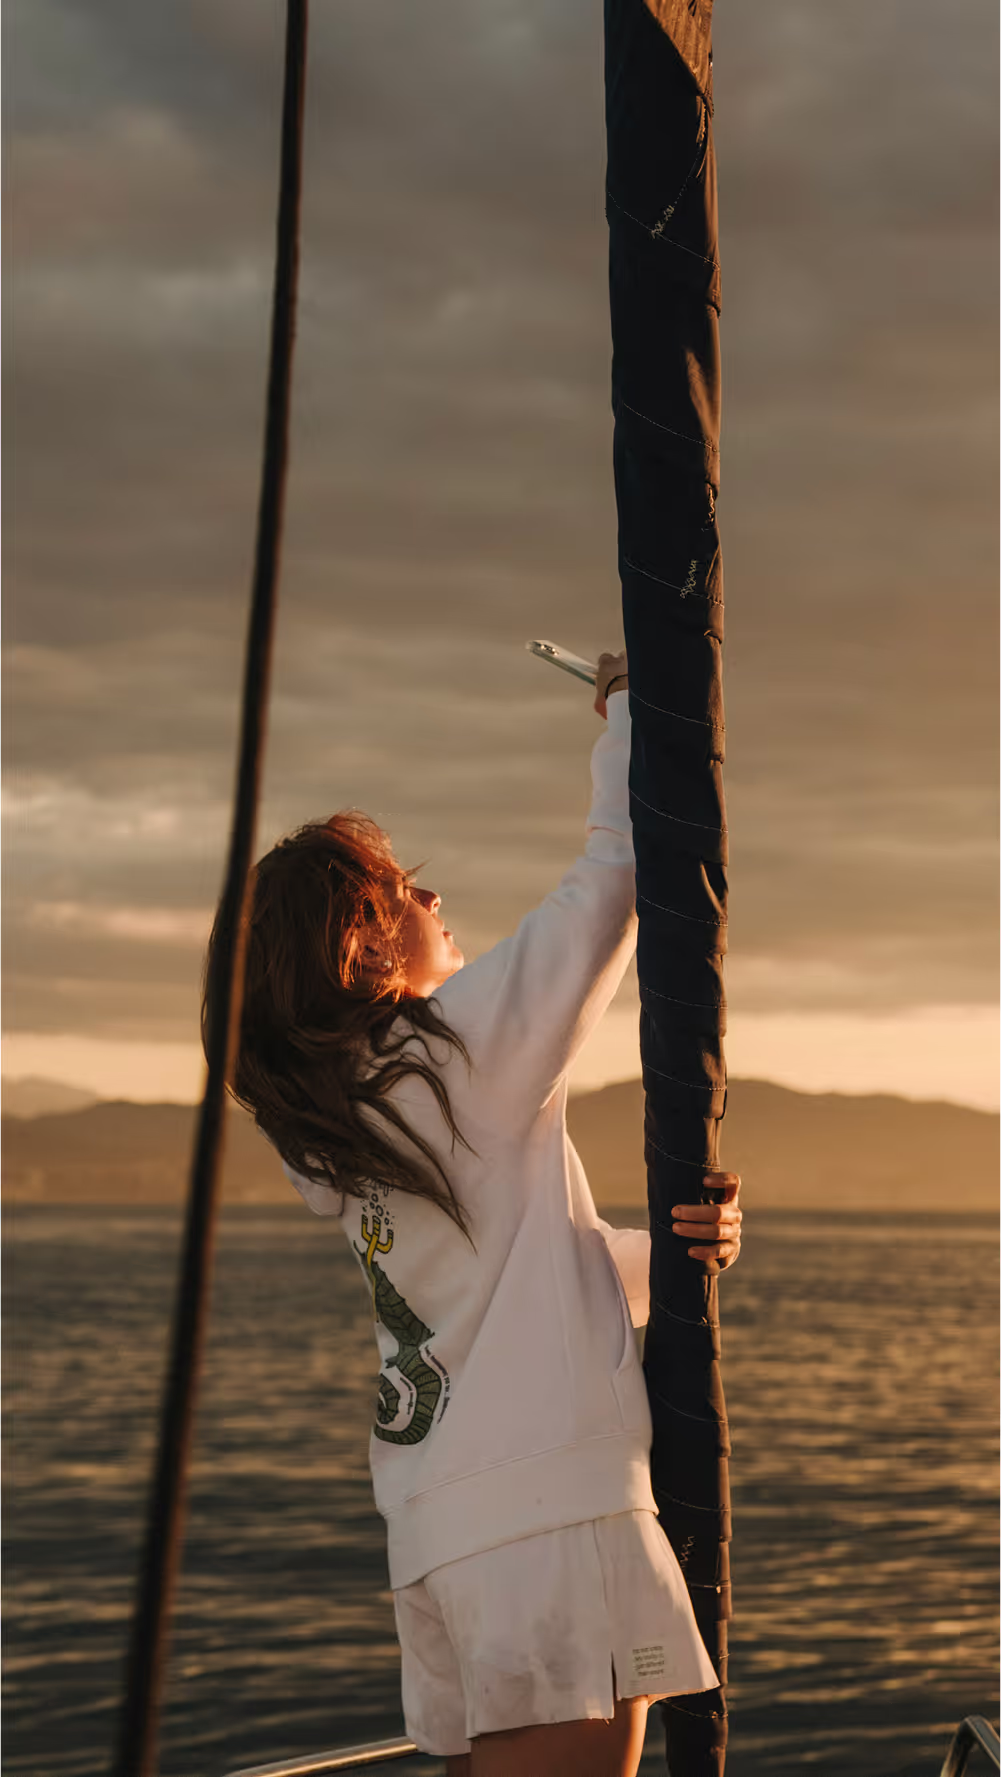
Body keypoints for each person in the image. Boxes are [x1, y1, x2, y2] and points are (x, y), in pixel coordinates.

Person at [203, 650, 742, 1777]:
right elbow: (614, 876)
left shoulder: (336, 1125)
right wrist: (632, 707)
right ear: (360, 943)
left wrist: (668, 1262)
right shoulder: (447, 1058)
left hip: (439, 1542)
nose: (433, 898)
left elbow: (493, 1279)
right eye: (405, 887)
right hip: (544, 1525)